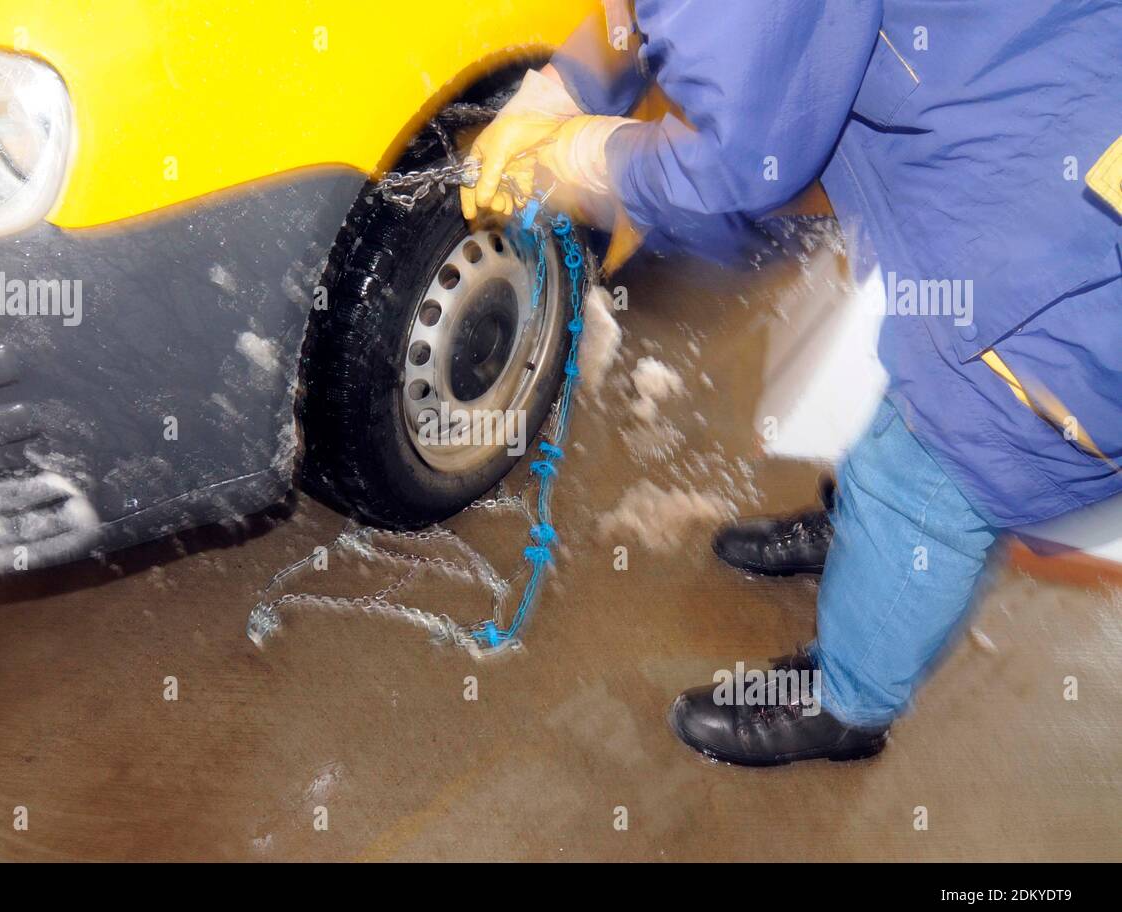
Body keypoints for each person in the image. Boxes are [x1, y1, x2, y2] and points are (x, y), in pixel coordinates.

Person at [462, 0, 1122, 766]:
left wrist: (578, 153)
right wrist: (565, 87)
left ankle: (849, 699)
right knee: (915, 372)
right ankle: (861, 536)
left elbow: (740, 167)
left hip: (1071, 243)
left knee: (947, 462)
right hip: (1034, 107)